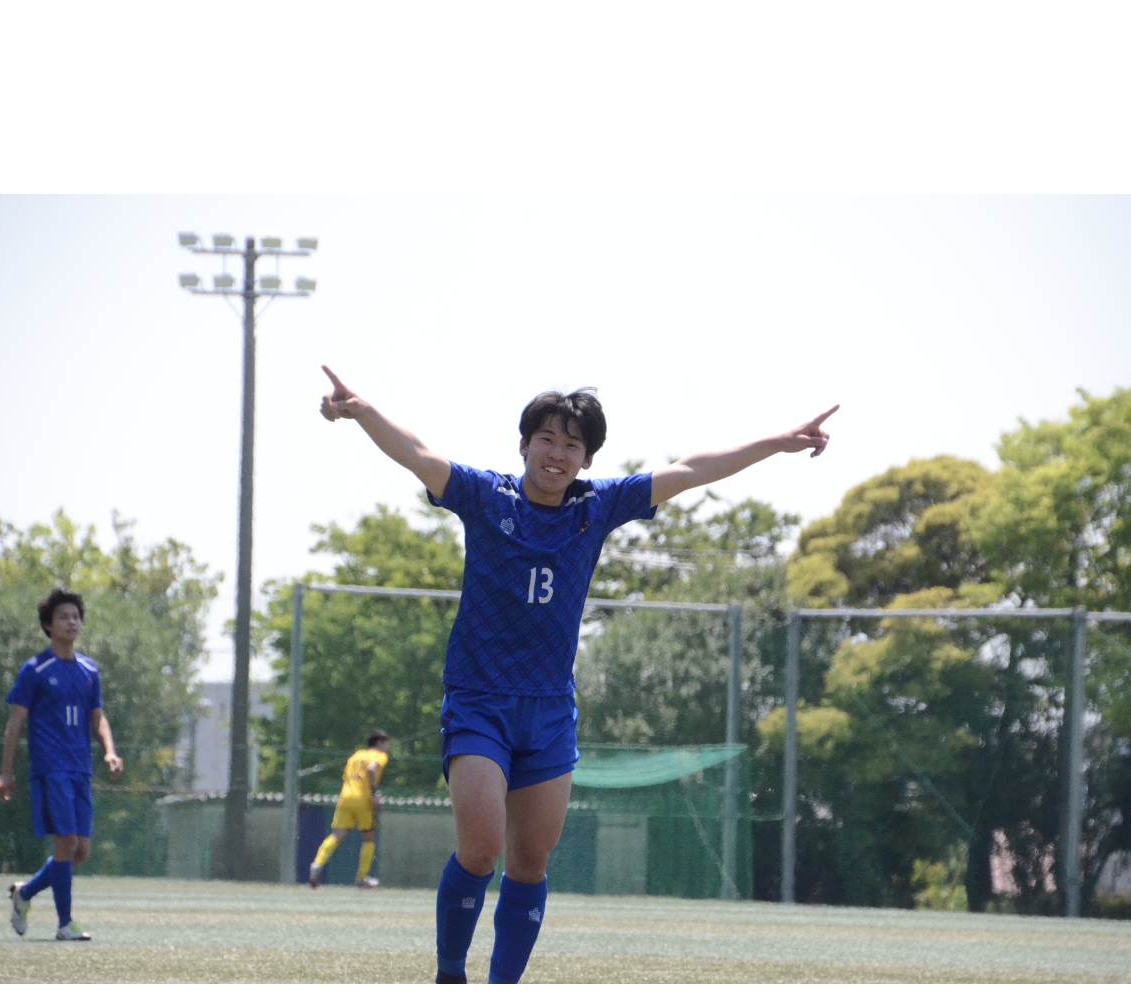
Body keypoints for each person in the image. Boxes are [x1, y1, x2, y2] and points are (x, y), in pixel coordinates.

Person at [318, 366, 836, 984]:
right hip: (479, 702)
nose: (557, 452)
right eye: (546, 438)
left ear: (586, 459)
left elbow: (691, 470)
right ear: (523, 445)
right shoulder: (486, 496)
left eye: (572, 444)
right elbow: (419, 454)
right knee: (481, 848)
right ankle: (449, 979)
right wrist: (361, 410)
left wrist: (777, 442)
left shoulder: (597, 507)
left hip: (549, 713)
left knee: (530, 862)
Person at [0, 588, 124, 941]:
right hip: (50, 768)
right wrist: (6, 772)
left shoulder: (89, 669)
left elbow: (97, 716)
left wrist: (109, 751)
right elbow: (15, 723)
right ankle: (65, 924)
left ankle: (25, 893)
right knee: (65, 841)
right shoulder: (35, 669)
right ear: (48, 626)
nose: (72, 622)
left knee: (80, 851)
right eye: (63, 617)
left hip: (81, 767)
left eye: (76, 616)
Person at [309, 729, 391, 889]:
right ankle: (361, 879)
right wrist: (373, 794)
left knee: (337, 836)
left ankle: (317, 864)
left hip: (345, 797)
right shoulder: (379, 756)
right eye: (387, 743)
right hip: (363, 799)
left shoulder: (356, 756)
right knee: (369, 838)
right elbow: (372, 769)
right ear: (379, 743)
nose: (388, 747)